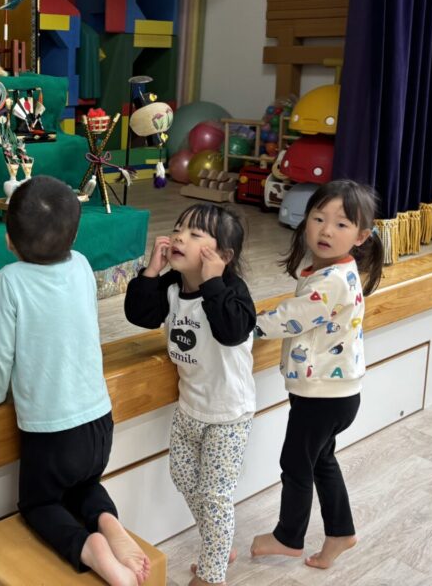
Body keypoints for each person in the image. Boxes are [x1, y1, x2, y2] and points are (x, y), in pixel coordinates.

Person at [0, 176, 150, 586]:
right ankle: (109, 522)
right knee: (84, 484)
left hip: (52, 433)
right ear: (74, 236)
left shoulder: (9, 280)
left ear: (8, 238)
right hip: (99, 420)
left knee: (38, 503)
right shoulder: (82, 265)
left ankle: (88, 548)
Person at [250, 179, 384, 570]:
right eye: (319, 218)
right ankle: (341, 532)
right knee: (320, 459)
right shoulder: (333, 270)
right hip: (336, 393)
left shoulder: (332, 282)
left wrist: (246, 324)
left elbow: (292, 317)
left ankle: (288, 537)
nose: (326, 230)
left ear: (361, 236)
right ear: (305, 220)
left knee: (295, 463)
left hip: (323, 395)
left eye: (341, 224)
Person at [124, 202, 257, 586]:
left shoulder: (232, 292)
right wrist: (151, 271)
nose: (180, 237)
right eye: (179, 228)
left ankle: (212, 575)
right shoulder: (171, 287)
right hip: (190, 408)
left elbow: (231, 331)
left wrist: (213, 283)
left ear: (223, 256)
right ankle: (220, 540)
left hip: (229, 415)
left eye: (195, 234)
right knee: (183, 477)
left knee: (215, 496)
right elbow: (139, 314)